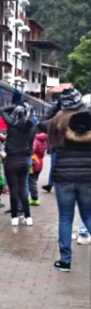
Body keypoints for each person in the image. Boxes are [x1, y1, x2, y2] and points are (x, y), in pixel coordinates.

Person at [36, 88, 91, 271]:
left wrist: (57, 106)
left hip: (64, 178)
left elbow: (41, 122)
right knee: (88, 216)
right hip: (87, 177)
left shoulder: (56, 123)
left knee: (65, 218)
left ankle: (65, 261)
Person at [0, 103, 36, 227]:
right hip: (23, 161)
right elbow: (31, 114)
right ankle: (28, 217)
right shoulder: (29, 124)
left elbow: (2, 109)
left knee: (14, 190)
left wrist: (14, 106)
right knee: (23, 190)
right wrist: (27, 109)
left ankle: (14, 217)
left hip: (11, 160)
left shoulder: (11, 124)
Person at [30, 130, 47, 206]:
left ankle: (34, 198)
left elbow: (32, 150)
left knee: (32, 182)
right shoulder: (44, 141)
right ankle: (34, 197)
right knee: (34, 180)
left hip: (34, 163)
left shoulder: (35, 140)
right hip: (40, 162)